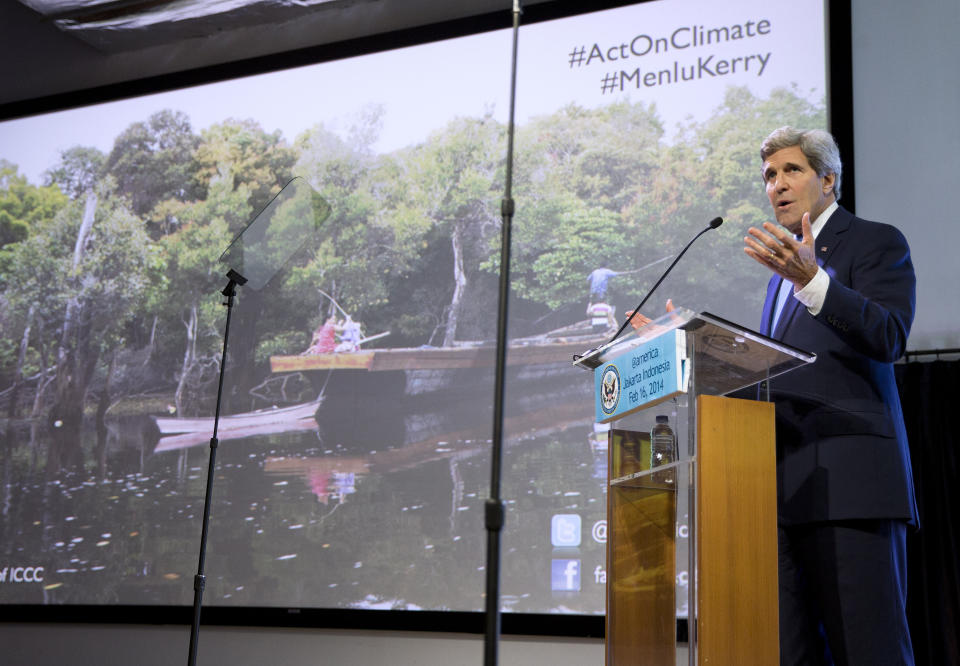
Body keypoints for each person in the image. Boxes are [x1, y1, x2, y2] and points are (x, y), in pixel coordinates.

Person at [743, 126, 916, 665]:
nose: (777, 184)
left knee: (871, 653)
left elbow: (889, 336)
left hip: (851, 487)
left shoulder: (874, 241)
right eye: (770, 175)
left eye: (791, 170)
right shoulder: (778, 278)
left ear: (828, 179)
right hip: (781, 494)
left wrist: (813, 281)